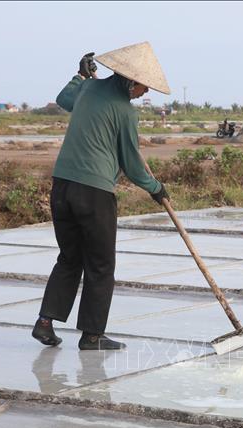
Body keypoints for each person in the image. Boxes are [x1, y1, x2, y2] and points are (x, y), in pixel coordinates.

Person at [31, 42, 171, 351]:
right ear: (130, 80)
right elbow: (132, 165)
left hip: (62, 187)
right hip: (94, 193)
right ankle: (92, 336)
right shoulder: (125, 113)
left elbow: (64, 98)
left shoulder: (87, 91)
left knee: (69, 258)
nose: (145, 93)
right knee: (100, 265)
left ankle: (45, 322)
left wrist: (80, 76)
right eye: (144, 87)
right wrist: (156, 188)